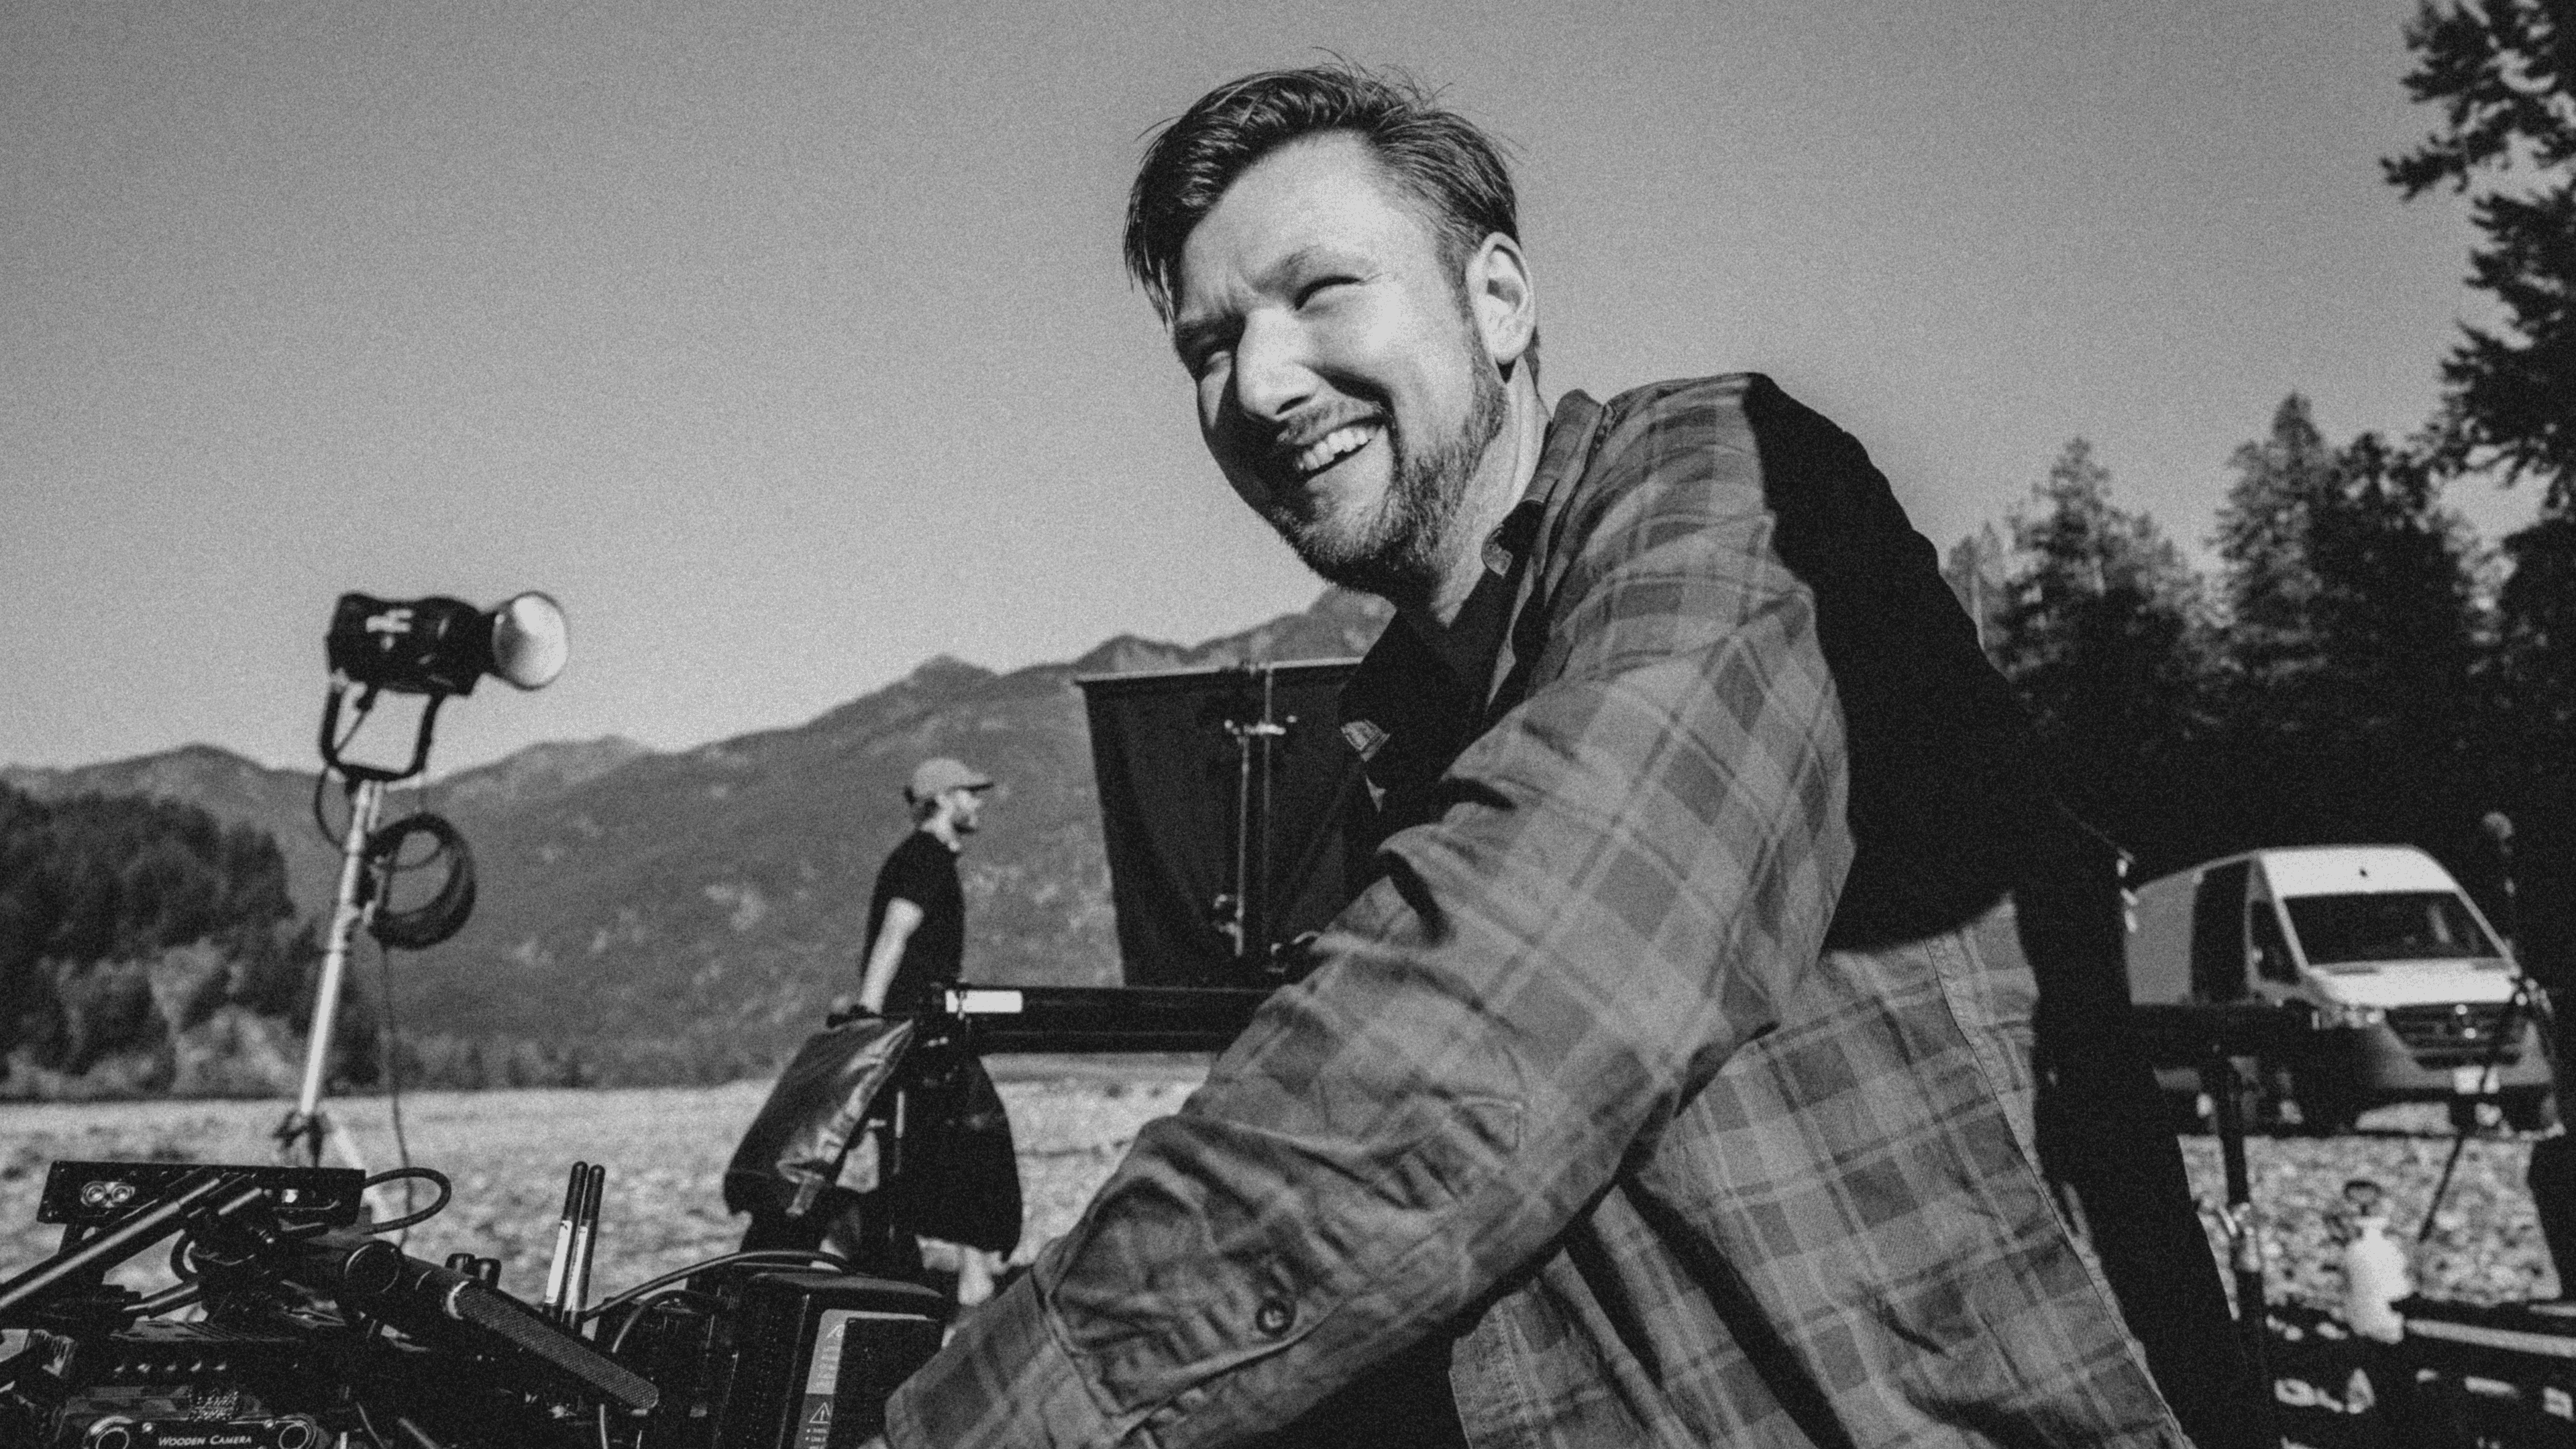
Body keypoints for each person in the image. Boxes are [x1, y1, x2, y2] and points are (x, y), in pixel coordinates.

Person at [879, 64, 2240, 1448]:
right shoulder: (1391, 770)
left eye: (1318, 292)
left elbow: (1517, 997)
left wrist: (974, 1424)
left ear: (1499, 298)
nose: (1260, 383)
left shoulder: (1731, 495)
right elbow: (1417, 1279)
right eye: (1208, 348)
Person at [730, 755, 1016, 1307]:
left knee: (938, 1146)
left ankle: (952, 1270)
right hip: (909, 1031)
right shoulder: (925, 859)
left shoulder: (929, 859)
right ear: (943, 799)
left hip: (917, 1028)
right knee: (952, 1143)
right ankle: (931, 1263)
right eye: (970, 793)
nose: (979, 802)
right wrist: (869, 1014)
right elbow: (895, 934)